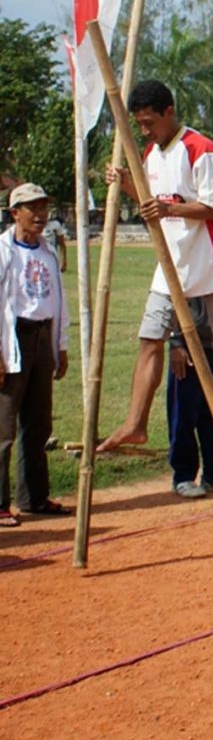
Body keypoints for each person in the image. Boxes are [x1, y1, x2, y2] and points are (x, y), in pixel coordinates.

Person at [98, 80, 213, 454]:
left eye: (150, 121)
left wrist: (170, 209)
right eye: (139, 123)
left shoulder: (202, 150)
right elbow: (149, 202)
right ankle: (136, 423)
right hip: (170, 262)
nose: (145, 130)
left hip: (210, 262)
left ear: (169, 112)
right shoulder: (151, 153)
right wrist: (126, 184)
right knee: (150, 337)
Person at [0, 183, 71, 526]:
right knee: (3, 428)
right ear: (15, 213)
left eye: (44, 208)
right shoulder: (3, 251)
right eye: (32, 208)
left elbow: (59, 300)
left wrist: (61, 344)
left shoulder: (47, 252)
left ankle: (34, 497)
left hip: (43, 337)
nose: (41, 215)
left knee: (39, 423)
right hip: (13, 339)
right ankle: (0, 504)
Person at [166, 297, 213, 498]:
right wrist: (175, 342)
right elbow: (169, 299)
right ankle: (183, 476)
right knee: (184, 412)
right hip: (187, 345)